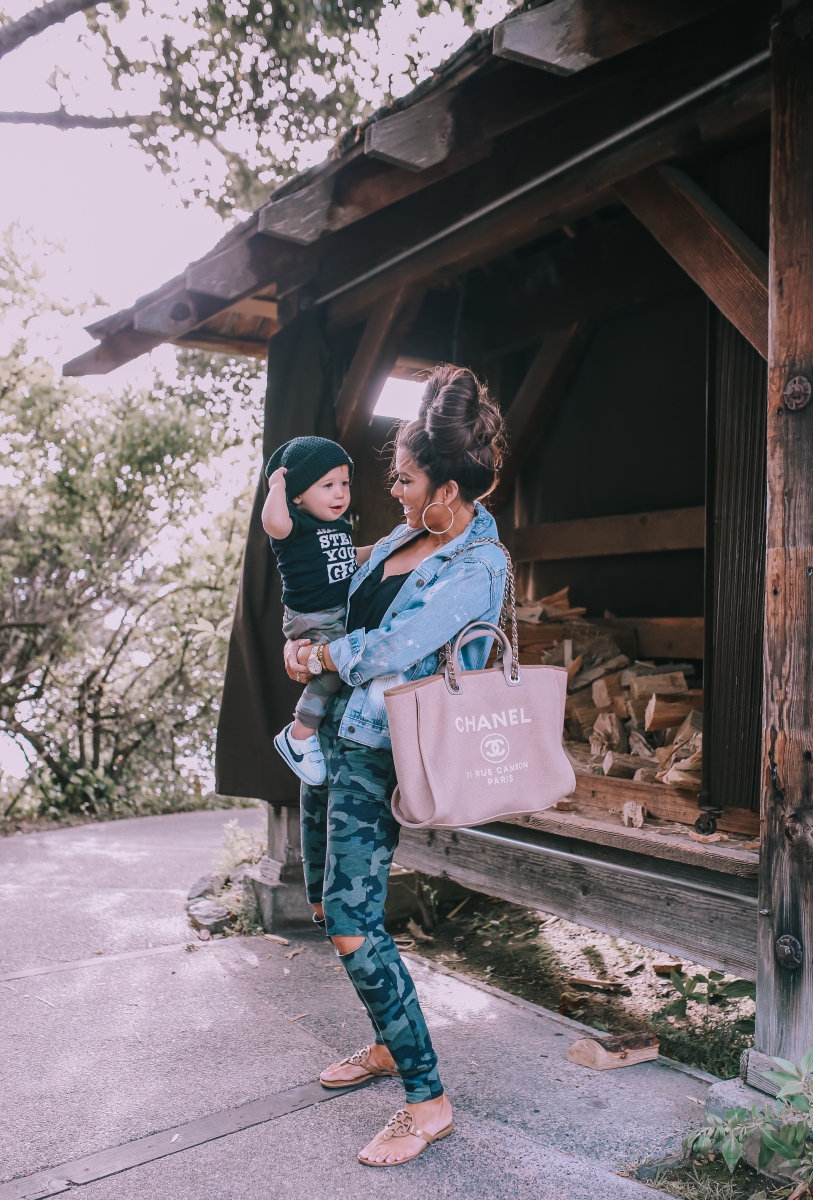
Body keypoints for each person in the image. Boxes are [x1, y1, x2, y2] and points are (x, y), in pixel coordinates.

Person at [283, 364, 507, 1167]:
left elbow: (391, 650)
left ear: (446, 488)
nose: (395, 491)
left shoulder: (476, 566)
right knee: (324, 906)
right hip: (334, 739)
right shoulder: (406, 538)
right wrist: (302, 639)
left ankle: (425, 1097)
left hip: (382, 752)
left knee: (351, 925)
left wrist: (322, 654)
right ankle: (385, 1045)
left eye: (406, 480)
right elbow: (341, 600)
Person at [261, 436, 372, 786]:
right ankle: (299, 733)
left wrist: (383, 548)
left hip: (334, 612)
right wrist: (278, 485)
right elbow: (273, 522)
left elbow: (346, 560)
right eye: (327, 485)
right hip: (310, 616)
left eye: (344, 484)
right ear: (297, 496)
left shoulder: (336, 525)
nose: (339, 493)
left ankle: (311, 730)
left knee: (339, 664)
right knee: (333, 666)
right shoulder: (294, 526)